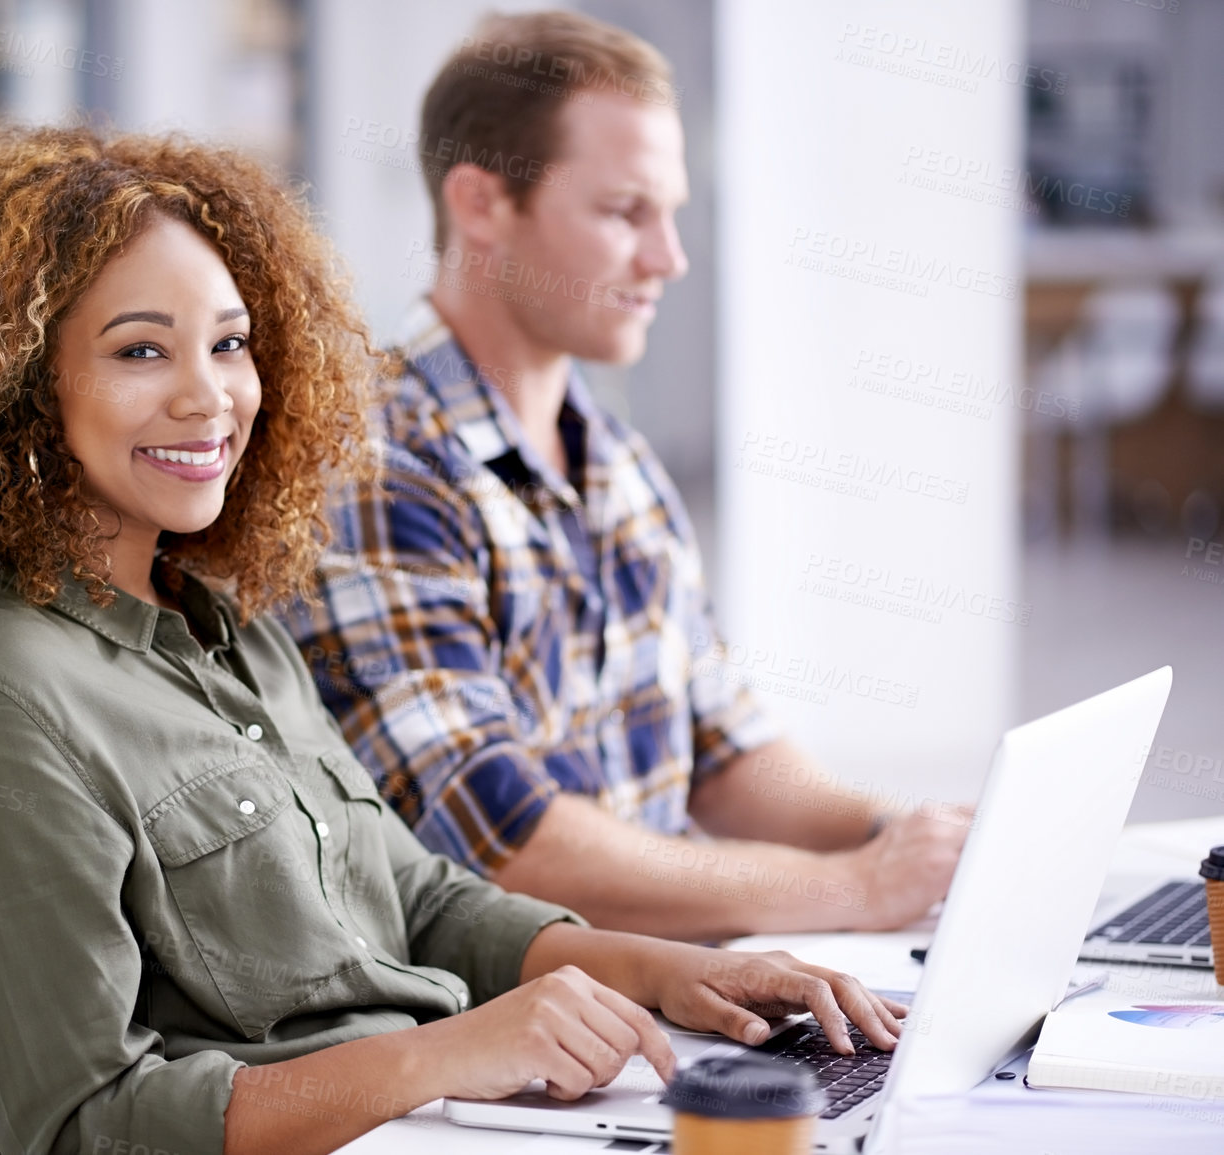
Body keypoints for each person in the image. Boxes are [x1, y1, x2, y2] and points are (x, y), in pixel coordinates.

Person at [0, 124, 905, 1155]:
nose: (211, 396)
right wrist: (445, 1056)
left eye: (231, 344)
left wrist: (664, 973)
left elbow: (423, 904)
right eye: (141, 350)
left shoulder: (223, 631)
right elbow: (91, 1125)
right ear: (9, 391)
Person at [284, 10, 969, 943]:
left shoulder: (616, 460)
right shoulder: (376, 465)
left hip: (660, 996)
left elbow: (724, 755)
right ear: (481, 204)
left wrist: (907, 842)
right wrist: (852, 890)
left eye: (671, 212)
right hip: (509, 1038)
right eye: (622, 212)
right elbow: (504, 844)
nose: (668, 258)